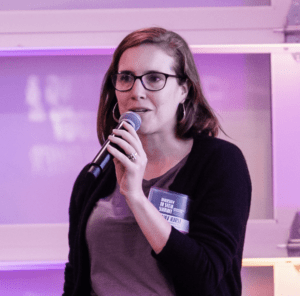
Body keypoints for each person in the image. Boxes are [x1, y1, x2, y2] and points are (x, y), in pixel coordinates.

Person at [63, 27, 251, 296]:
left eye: (154, 78)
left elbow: (206, 276)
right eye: (126, 77)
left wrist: (136, 198)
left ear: (184, 90)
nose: (136, 91)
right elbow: (76, 275)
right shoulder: (95, 175)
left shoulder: (220, 162)